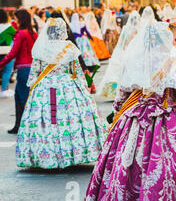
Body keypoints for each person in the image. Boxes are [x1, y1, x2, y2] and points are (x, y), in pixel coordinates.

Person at [81, 17, 176, 201]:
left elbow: (121, 97)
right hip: (168, 122)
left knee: (128, 170)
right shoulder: (172, 61)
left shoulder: (133, 61)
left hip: (134, 120)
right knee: (167, 171)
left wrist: (119, 119)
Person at [15, 18, 107, 168]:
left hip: (45, 88)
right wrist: (84, 88)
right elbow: (76, 71)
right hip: (69, 88)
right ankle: (73, 154)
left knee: (47, 122)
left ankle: (46, 155)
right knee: (71, 121)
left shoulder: (41, 49)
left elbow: (34, 75)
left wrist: (34, 89)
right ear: (63, 31)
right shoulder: (69, 48)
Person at [0, 9, 38, 134]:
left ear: (20, 19)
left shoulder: (21, 34)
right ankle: (26, 124)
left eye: (16, 19)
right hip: (32, 68)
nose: (14, 21)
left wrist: (1, 64)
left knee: (20, 98)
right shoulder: (33, 33)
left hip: (23, 69)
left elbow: (13, 53)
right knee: (27, 97)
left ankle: (19, 126)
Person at [97, 11, 142, 101]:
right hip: (132, 52)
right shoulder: (139, 29)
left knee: (117, 72)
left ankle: (115, 92)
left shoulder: (125, 28)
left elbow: (122, 42)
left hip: (122, 51)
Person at [0, 9, 16, 98]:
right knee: (7, 71)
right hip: (7, 52)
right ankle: (4, 89)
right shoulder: (9, 27)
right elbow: (16, 36)